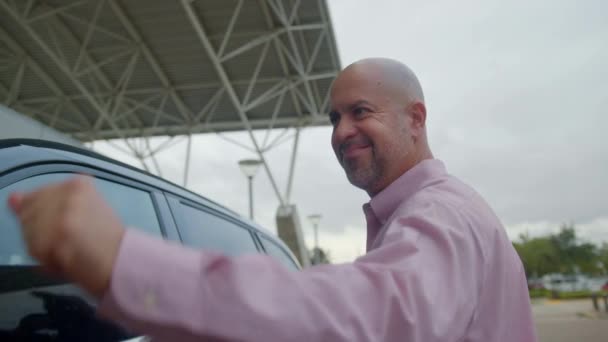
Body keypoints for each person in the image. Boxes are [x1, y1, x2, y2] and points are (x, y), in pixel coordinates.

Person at [8, 58, 537, 341]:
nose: (341, 131)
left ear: (415, 119)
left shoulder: (441, 215)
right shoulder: (422, 217)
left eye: (361, 111)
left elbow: (365, 320)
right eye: (334, 118)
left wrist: (124, 263)